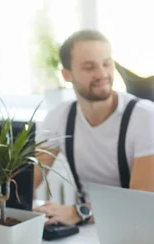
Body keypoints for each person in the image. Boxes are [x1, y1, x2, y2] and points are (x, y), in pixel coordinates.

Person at [34, 29, 154, 226]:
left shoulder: (145, 117)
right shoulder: (58, 118)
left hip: (138, 229)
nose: (102, 74)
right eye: (89, 67)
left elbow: (141, 203)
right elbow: (27, 182)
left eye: (106, 64)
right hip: (90, 229)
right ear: (67, 74)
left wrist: (79, 212)